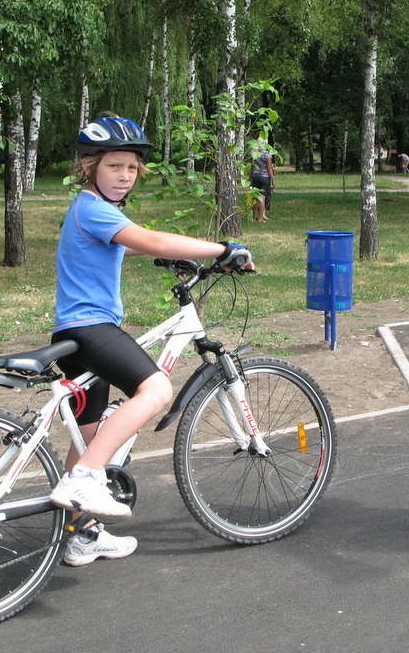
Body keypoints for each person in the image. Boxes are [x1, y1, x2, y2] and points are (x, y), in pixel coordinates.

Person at [47, 115, 254, 566]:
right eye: (113, 166)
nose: (124, 175)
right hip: (91, 329)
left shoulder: (91, 211)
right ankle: (85, 478)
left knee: (89, 438)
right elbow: (153, 239)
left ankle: (82, 535)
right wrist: (223, 249)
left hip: (73, 332)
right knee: (157, 389)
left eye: (131, 168)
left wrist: (179, 255)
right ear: (90, 168)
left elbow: (131, 244)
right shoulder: (94, 208)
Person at [250, 142, 276, 222]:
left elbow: (250, 167)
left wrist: (250, 178)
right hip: (264, 177)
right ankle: (260, 218)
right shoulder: (267, 155)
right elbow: (269, 168)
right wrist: (273, 179)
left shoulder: (253, 153)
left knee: (255, 197)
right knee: (262, 198)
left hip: (255, 176)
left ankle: (254, 217)